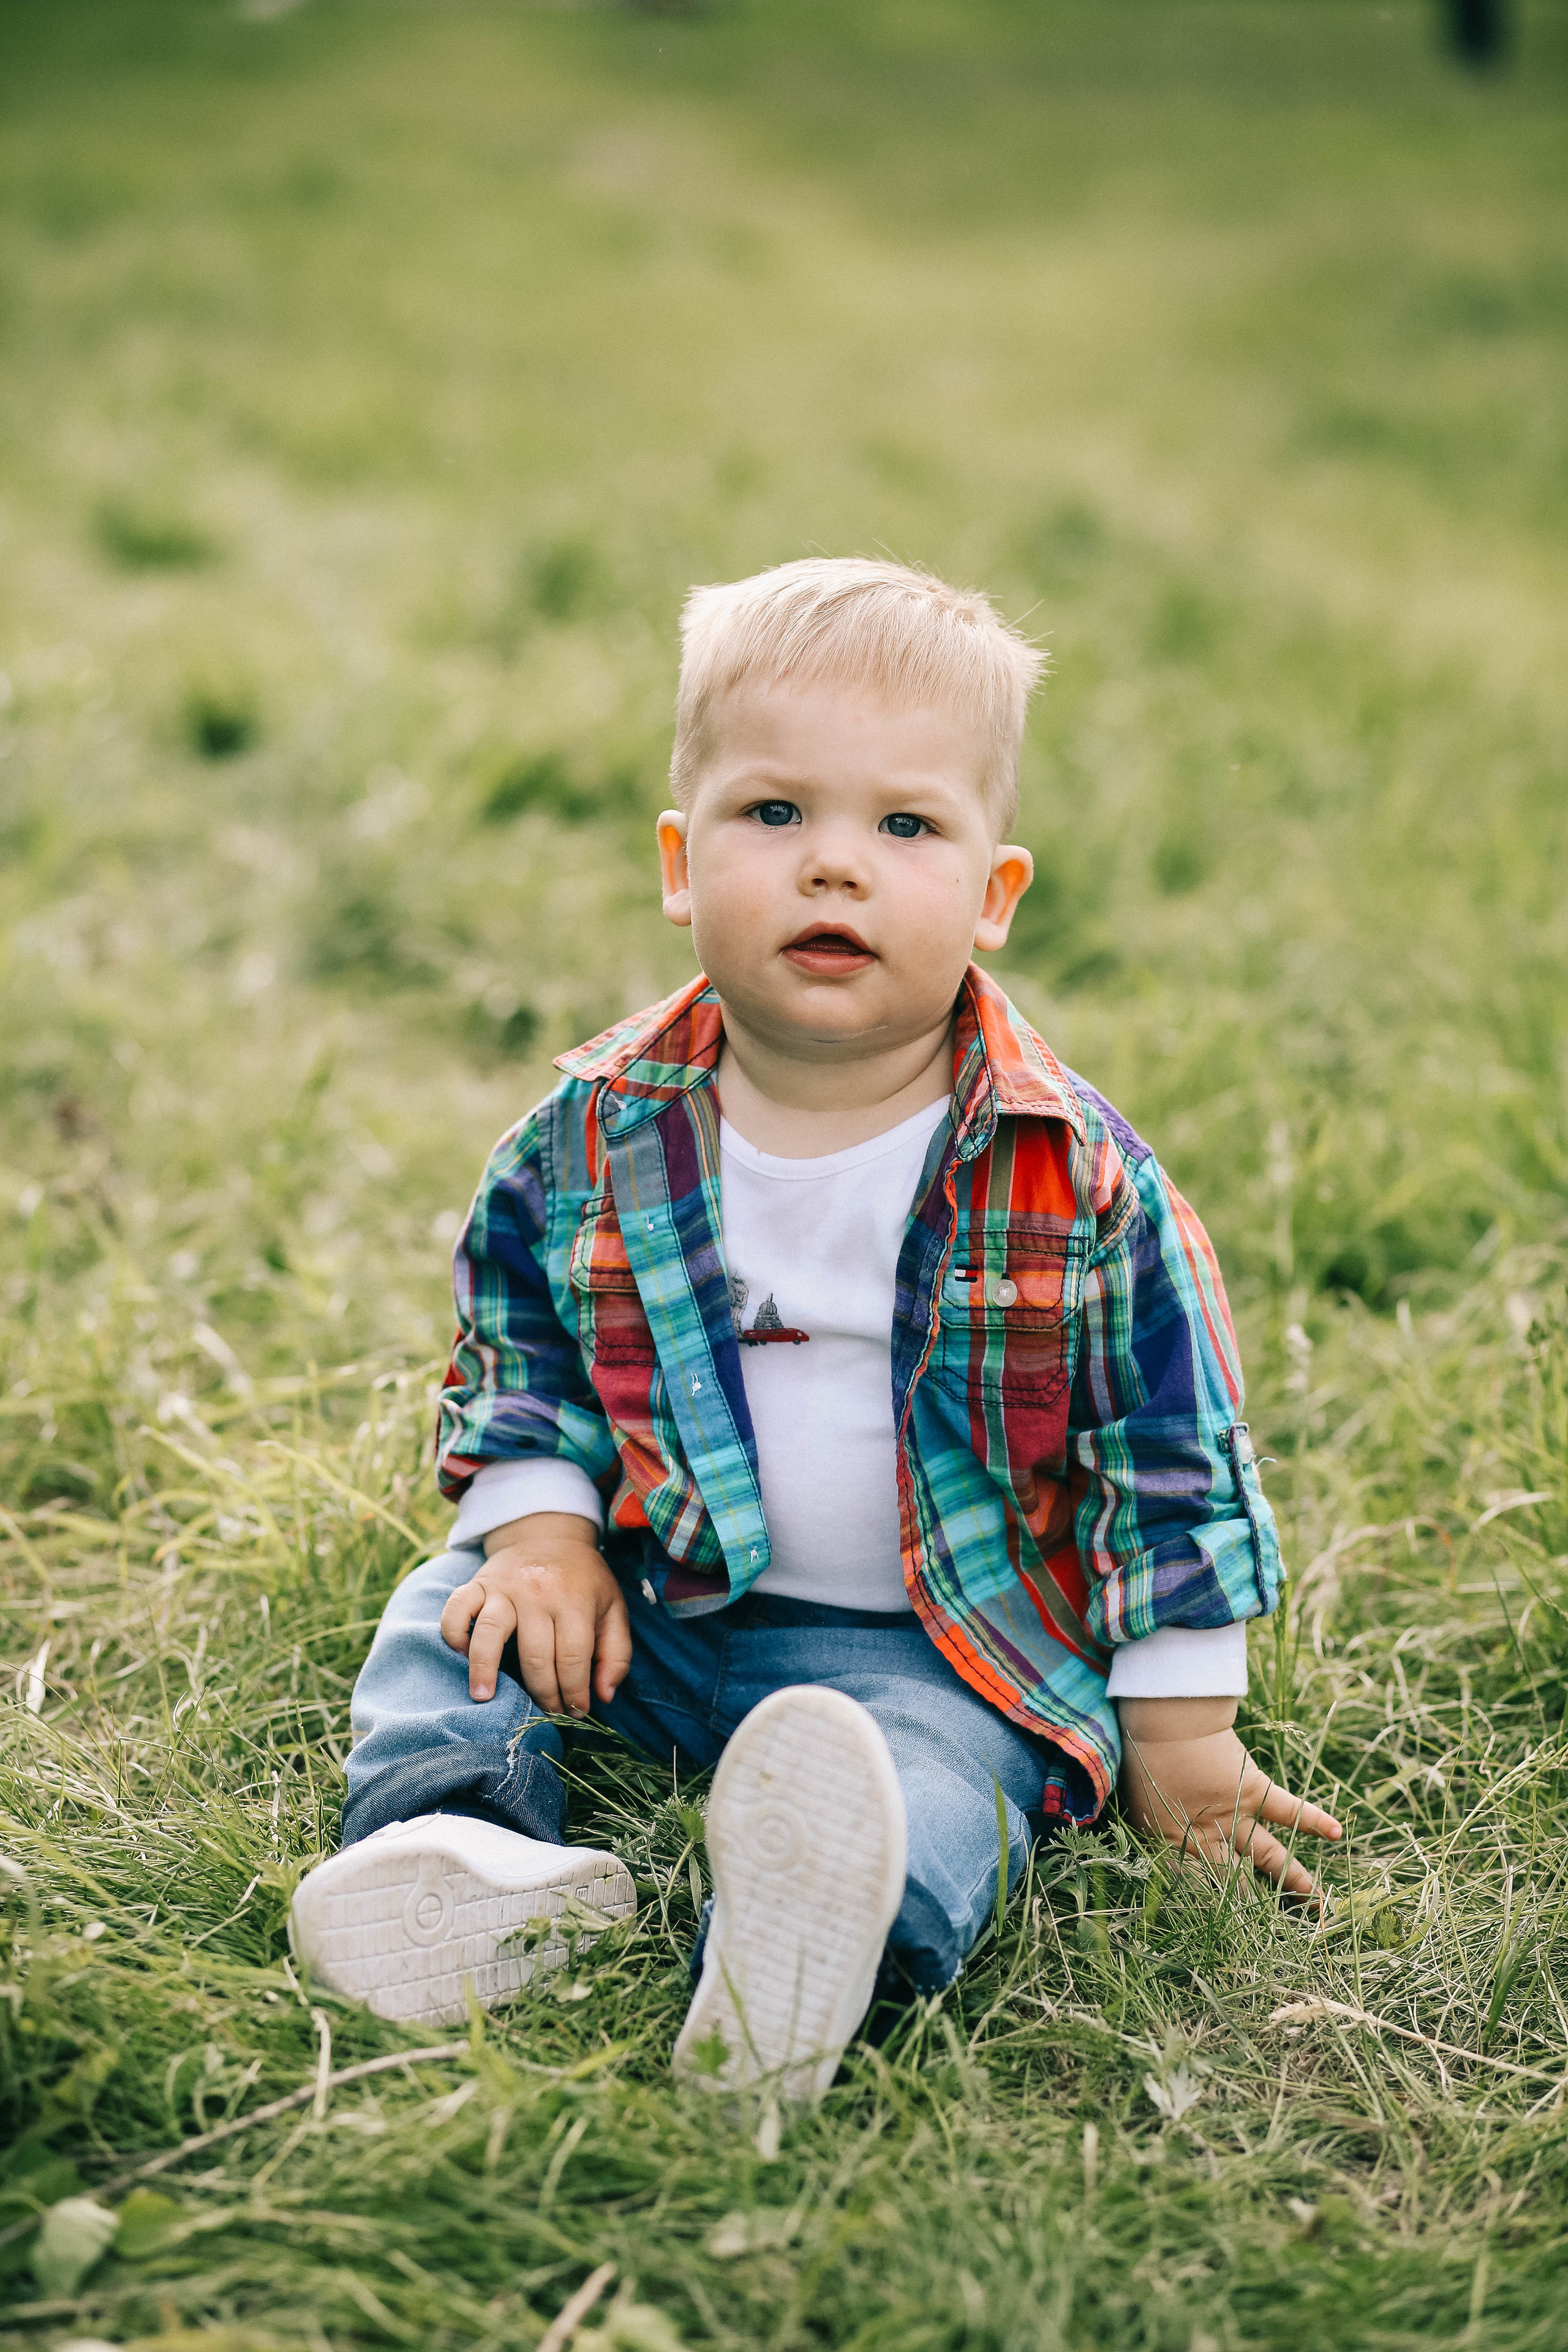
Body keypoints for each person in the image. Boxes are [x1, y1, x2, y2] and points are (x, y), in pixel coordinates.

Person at [290, 557, 1341, 2100]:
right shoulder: (592, 1132)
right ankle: (453, 1853)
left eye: (903, 826)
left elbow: (1168, 1456)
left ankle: (815, 1935)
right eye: (774, 815)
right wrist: (538, 1536)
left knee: (939, 1785)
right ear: (679, 859)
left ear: (992, 894)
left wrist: (1176, 1738)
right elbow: (520, 1351)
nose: (832, 867)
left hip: (932, 1646)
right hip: (648, 1597)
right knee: (448, 1625)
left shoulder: (1072, 1175)